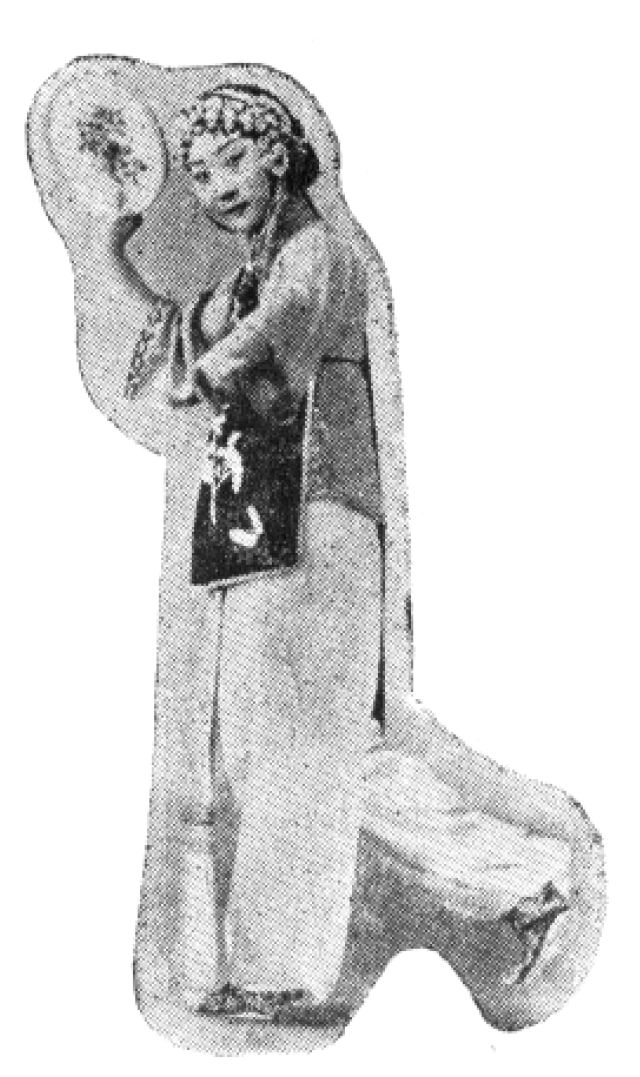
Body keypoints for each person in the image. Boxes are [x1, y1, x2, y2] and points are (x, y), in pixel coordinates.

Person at [166, 84, 383, 1017]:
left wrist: (213, 364)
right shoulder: (249, 270)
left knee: (299, 740)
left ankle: (283, 967)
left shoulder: (315, 249)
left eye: (232, 162)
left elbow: (272, 327)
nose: (216, 187)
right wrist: (115, 257)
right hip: (259, 521)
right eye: (199, 173)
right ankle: (255, 964)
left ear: (281, 157)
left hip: (320, 510)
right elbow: (176, 338)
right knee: (250, 740)